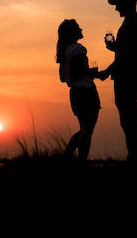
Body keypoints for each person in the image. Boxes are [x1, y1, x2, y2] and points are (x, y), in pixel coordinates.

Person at [100, 0, 137, 161]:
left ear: (128, 4)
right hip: (132, 76)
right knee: (129, 118)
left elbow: (126, 56)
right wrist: (116, 48)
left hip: (127, 78)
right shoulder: (136, 24)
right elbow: (129, 51)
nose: (116, 9)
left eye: (118, 5)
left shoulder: (131, 25)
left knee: (128, 119)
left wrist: (107, 71)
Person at [56, 19, 104, 164]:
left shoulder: (64, 51)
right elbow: (82, 71)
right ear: (72, 33)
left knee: (84, 129)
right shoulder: (78, 49)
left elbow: (63, 78)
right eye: (78, 28)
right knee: (87, 131)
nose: (81, 30)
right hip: (87, 91)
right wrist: (96, 74)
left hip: (75, 93)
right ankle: (81, 163)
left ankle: (66, 157)